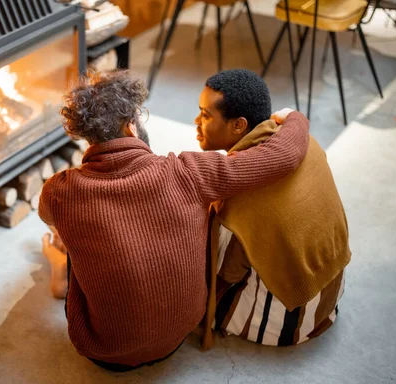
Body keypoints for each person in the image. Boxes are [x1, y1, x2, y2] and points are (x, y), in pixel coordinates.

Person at [39, 69, 310, 371]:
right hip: (176, 338)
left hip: (107, 354)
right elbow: (284, 156)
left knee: (76, 234)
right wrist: (295, 117)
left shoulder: (60, 191)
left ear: (87, 136)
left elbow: (46, 216)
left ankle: (61, 270)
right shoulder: (189, 171)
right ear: (131, 126)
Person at [193, 69, 351, 348]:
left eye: (205, 116)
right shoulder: (304, 141)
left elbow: (226, 272)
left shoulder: (237, 194)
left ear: (239, 126)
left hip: (289, 320)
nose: (196, 122)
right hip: (329, 288)